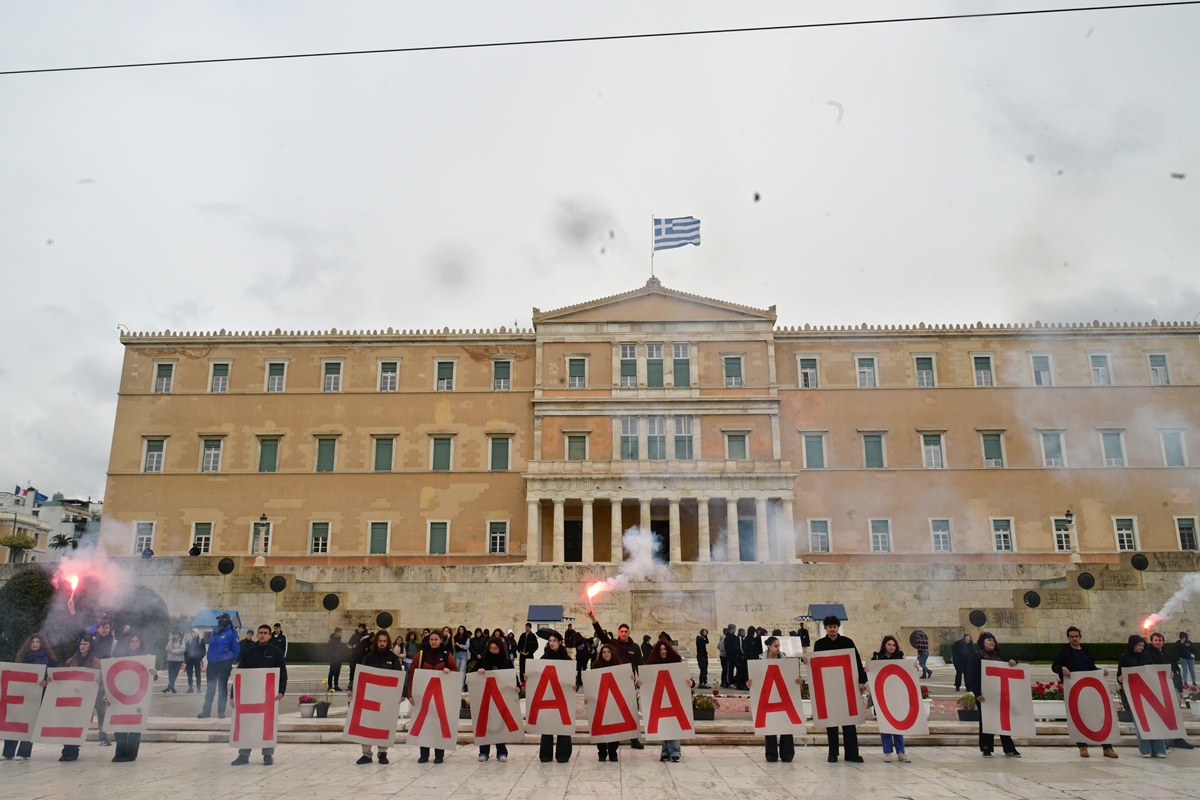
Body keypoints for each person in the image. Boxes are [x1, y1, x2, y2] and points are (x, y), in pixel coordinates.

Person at [1051, 626, 1118, 758]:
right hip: (1075, 688)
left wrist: (1100, 671)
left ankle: (1107, 747)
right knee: (1079, 716)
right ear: (1068, 637)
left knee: (1099, 715)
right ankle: (1082, 746)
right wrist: (1062, 668)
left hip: (1090, 688)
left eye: (1076, 636)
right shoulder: (1064, 651)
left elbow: (1091, 667)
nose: (1074, 639)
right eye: (1072, 637)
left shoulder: (1086, 650)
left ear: (1080, 637)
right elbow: (1055, 666)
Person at [812, 615, 867, 763]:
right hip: (829, 688)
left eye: (834, 626)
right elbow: (815, 665)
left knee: (849, 721)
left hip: (846, 686)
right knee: (832, 721)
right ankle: (833, 753)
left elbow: (856, 660)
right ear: (825, 628)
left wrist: (862, 681)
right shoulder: (820, 644)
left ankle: (852, 754)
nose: (832, 629)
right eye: (829, 626)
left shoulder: (847, 642)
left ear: (838, 627)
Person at [588, 609, 645, 749]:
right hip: (614, 682)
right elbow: (601, 634)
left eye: (626, 631)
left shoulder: (635, 647)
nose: (624, 633)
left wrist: (640, 679)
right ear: (618, 633)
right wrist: (593, 618)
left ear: (629, 633)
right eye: (621, 631)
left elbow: (640, 664)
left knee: (631, 710)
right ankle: (613, 736)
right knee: (613, 709)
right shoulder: (613, 644)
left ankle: (634, 739)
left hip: (629, 682)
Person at [231, 625, 287, 766]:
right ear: (257, 635)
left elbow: (283, 673)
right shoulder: (249, 652)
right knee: (247, 723)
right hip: (250, 694)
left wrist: (281, 690)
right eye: (260, 633)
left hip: (268, 695)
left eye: (265, 633)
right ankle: (243, 754)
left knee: (267, 724)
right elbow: (240, 673)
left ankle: (267, 755)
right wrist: (233, 694)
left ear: (269, 635)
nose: (262, 635)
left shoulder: (276, 652)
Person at [404, 630, 456, 764]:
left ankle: (439, 755)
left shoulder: (446, 655)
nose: (433, 641)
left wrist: (448, 672)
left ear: (440, 640)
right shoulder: (421, 655)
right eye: (431, 639)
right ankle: (424, 755)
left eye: (436, 639)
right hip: (424, 697)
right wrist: (409, 694)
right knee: (424, 725)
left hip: (440, 698)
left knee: (439, 725)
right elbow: (411, 674)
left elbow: (456, 674)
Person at [967, 631, 1021, 758]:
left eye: (993, 640)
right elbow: (971, 676)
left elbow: (1012, 662)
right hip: (983, 696)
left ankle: (1009, 748)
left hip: (999, 694)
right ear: (982, 642)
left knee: (1003, 720)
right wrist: (977, 693)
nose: (992, 642)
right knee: (986, 721)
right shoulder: (976, 656)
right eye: (988, 640)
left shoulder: (999, 656)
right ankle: (986, 747)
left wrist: (1014, 661)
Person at [3, 632, 55, 760]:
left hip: (37, 696)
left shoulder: (50, 660)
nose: (35, 644)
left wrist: (47, 682)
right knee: (14, 722)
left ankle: (23, 752)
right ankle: (8, 752)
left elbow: (53, 678)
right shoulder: (22, 658)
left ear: (42, 644)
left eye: (37, 642)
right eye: (33, 642)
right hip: (20, 695)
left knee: (30, 723)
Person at [749, 635, 802, 763]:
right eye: (776, 646)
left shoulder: (786, 660)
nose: (778, 648)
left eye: (779, 646)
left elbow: (792, 676)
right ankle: (771, 754)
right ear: (769, 646)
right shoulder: (760, 659)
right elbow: (756, 676)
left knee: (786, 724)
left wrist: (798, 680)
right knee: (770, 725)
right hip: (768, 694)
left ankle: (787, 754)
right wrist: (750, 683)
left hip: (783, 694)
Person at [355, 630, 402, 764]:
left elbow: (399, 676)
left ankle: (382, 753)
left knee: (383, 724)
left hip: (386, 698)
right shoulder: (369, 657)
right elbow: (360, 674)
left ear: (387, 642)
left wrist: (402, 693)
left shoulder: (393, 658)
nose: (382, 644)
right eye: (380, 641)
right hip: (371, 697)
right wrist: (351, 688)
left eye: (384, 641)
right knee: (367, 724)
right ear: (376, 642)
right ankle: (366, 754)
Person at [642, 638, 694, 762]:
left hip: (673, 697)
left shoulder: (676, 662)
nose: (663, 652)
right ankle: (665, 751)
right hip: (660, 698)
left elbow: (686, 678)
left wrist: (691, 682)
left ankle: (675, 751)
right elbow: (648, 681)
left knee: (673, 724)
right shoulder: (652, 665)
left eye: (665, 649)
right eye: (660, 650)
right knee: (663, 724)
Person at [111, 632, 159, 762]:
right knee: (120, 725)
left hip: (138, 698)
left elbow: (152, 678)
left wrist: (153, 673)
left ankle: (131, 754)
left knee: (134, 727)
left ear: (140, 643)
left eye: (136, 641)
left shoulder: (146, 658)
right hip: (122, 696)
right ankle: (120, 752)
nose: (134, 644)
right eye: (132, 641)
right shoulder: (121, 657)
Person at [1118, 634, 1166, 757]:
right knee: (1140, 721)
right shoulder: (1124, 658)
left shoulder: (1146, 655)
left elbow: (1152, 670)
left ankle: (1159, 749)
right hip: (1135, 692)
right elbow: (1119, 675)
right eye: (1139, 645)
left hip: (1149, 691)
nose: (1141, 647)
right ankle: (1146, 749)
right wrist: (1121, 678)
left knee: (1154, 720)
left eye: (1143, 645)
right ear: (1133, 645)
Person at [1147, 631, 1195, 750]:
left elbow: (1176, 670)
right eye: (1156, 640)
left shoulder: (1168, 654)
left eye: (1160, 640)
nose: (1158, 642)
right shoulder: (1147, 654)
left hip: (1170, 686)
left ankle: (1178, 738)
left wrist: (1179, 689)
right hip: (1156, 689)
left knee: (1174, 714)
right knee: (1159, 714)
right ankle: (1162, 740)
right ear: (1151, 641)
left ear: (1163, 642)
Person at [58, 635, 100, 761]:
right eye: (81, 644)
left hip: (85, 698)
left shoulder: (96, 662)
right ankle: (67, 750)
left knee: (78, 724)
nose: (82, 646)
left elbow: (100, 679)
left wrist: (98, 681)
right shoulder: (70, 661)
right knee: (68, 724)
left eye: (85, 644)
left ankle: (73, 750)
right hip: (71, 697)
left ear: (90, 646)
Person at [871, 635, 911, 762]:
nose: (891, 647)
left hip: (896, 696)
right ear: (884, 645)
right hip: (882, 695)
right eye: (889, 644)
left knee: (898, 725)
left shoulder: (900, 658)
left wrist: (913, 666)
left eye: (893, 645)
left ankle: (901, 751)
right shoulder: (877, 658)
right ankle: (887, 751)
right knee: (885, 725)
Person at [537, 630, 574, 763]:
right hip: (547, 696)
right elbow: (537, 674)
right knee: (547, 725)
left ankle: (563, 755)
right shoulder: (544, 657)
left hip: (562, 696)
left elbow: (571, 678)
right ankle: (546, 755)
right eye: (550, 641)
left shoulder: (567, 659)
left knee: (563, 725)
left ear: (560, 642)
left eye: (554, 641)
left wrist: (573, 686)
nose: (552, 643)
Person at [476, 636, 514, 763]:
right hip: (486, 700)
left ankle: (502, 751)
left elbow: (512, 678)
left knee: (499, 725)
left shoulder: (505, 661)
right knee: (485, 725)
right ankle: (483, 752)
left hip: (500, 700)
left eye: (495, 648)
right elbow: (471, 676)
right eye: (491, 648)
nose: (493, 651)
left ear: (500, 649)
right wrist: (478, 672)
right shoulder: (483, 660)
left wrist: (517, 688)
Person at [198, 612, 240, 719]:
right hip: (212, 663)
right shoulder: (214, 632)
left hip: (224, 664)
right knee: (210, 688)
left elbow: (236, 650)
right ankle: (206, 711)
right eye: (219, 619)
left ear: (226, 620)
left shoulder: (231, 633)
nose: (220, 621)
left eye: (222, 619)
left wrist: (229, 661)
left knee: (222, 688)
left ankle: (221, 712)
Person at [590, 643, 626, 762]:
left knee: (614, 728)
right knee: (600, 728)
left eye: (608, 652)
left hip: (614, 702)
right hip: (600, 701)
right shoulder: (595, 666)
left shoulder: (619, 667)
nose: (606, 654)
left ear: (612, 653)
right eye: (604, 652)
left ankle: (612, 751)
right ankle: (601, 752)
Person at [346, 623, 369, 689]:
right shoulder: (354, 635)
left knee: (362, 671)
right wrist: (352, 646)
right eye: (358, 627)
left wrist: (367, 647)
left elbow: (371, 642)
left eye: (360, 628)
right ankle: (351, 684)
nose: (358, 629)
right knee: (352, 670)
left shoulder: (366, 636)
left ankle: (361, 685)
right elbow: (348, 644)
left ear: (363, 629)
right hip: (354, 656)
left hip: (362, 657)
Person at [184, 628, 205, 693]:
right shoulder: (189, 641)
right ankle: (190, 687)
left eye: (194, 632)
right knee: (189, 674)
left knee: (197, 674)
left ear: (197, 633)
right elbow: (186, 651)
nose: (192, 634)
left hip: (197, 660)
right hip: (189, 660)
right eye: (192, 632)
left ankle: (198, 687)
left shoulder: (200, 641)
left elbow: (203, 651)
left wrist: (200, 657)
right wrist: (186, 659)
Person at [718, 623, 730, 688]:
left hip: (721, 654)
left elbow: (718, 646)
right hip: (725, 655)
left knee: (724, 669)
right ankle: (725, 681)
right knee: (726, 669)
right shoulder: (726, 638)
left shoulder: (721, 638)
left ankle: (723, 681)